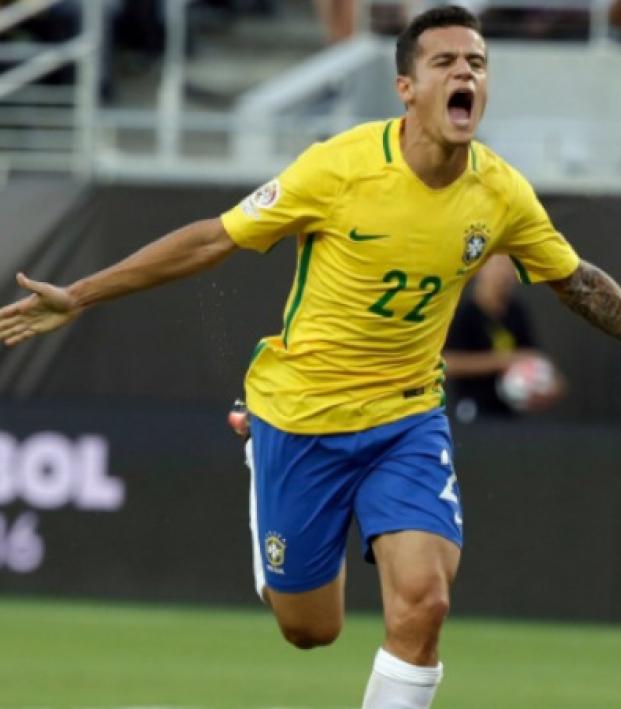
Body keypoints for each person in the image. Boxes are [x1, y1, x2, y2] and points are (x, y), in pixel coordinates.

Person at [1, 6, 621, 708]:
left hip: (407, 418)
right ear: (405, 88)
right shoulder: (339, 167)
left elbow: (578, 283)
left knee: (423, 604)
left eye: (476, 64)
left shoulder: (501, 192)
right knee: (309, 628)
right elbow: (214, 238)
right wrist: (79, 294)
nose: (464, 74)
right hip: (301, 417)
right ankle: (259, 463)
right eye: (444, 62)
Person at [444, 254, 564, 422]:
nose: (504, 274)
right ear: (479, 270)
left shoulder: (516, 313)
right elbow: (447, 363)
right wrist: (504, 361)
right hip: (472, 413)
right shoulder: (464, 313)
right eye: (498, 266)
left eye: (511, 268)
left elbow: (530, 356)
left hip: (510, 416)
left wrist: (550, 385)